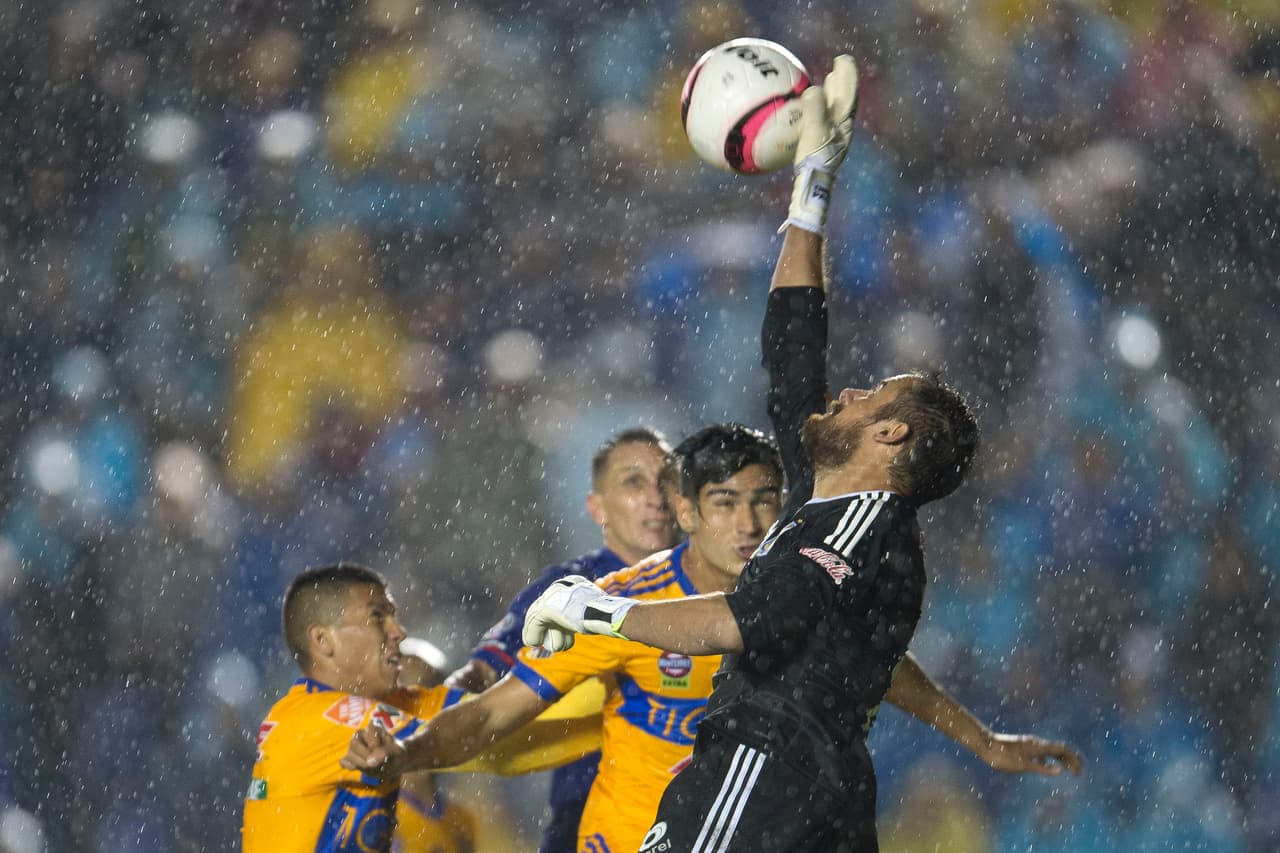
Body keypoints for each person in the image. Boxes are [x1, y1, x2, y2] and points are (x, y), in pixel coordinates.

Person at [518, 56, 1083, 851]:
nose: (848, 395)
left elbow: (755, 618)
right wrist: (813, 185)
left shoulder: (854, 526)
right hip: (817, 785)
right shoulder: (849, 517)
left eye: (871, 397)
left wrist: (595, 609)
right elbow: (793, 345)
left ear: (890, 438)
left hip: (762, 770)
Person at [341, 427, 1080, 852]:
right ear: (685, 514)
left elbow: (876, 665)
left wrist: (980, 738)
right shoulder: (621, 607)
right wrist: (402, 757)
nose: (750, 525)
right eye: (725, 503)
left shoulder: (799, 587)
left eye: (763, 501)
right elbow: (489, 714)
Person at [241, 563, 603, 853]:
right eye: (377, 617)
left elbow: (499, 731)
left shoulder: (393, 705)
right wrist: (600, 665)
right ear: (323, 640)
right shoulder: (312, 719)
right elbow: (484, 734)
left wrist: (623, 707)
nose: (398, 630)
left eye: (393, 615)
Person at [446, 426, 680, 853]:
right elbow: (484, 667)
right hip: (587, 808)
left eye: (666, 481)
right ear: (597, 508)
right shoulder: (568, 587)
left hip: (696, 804)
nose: (656, 496)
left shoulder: (710, 581)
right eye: (633, 482)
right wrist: (442, 711)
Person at [393, 638, 476, 853]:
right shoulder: (370, 817)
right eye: (414, 699)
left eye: (438, 694)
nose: (432, 712)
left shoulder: (462, 821)